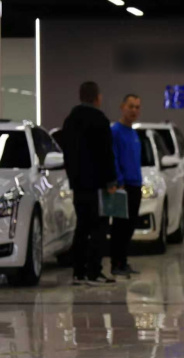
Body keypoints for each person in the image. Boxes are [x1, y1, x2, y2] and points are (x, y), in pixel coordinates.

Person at [62, 81, 118, 285]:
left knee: (82, 226)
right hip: (97, 185)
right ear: (97, 97)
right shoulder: (100, 120)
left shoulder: (70, 120)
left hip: (78, 185)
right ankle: (94, 271)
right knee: (99, 228)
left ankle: (78, 272)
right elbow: (106, 154)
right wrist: (111, 180)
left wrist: (73, 177)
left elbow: (67, 153)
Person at [110, 94, 143, 277]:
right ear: (122, 107)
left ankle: (123, 262)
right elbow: (113, 158)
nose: (134, 111)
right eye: (131, 106)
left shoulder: (134, 133)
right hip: (123, 187)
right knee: (120, 227)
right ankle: (116, 264)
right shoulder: (115, 131)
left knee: (129, 227)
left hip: (135, 185)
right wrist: (119, 181)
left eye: (137, 107)